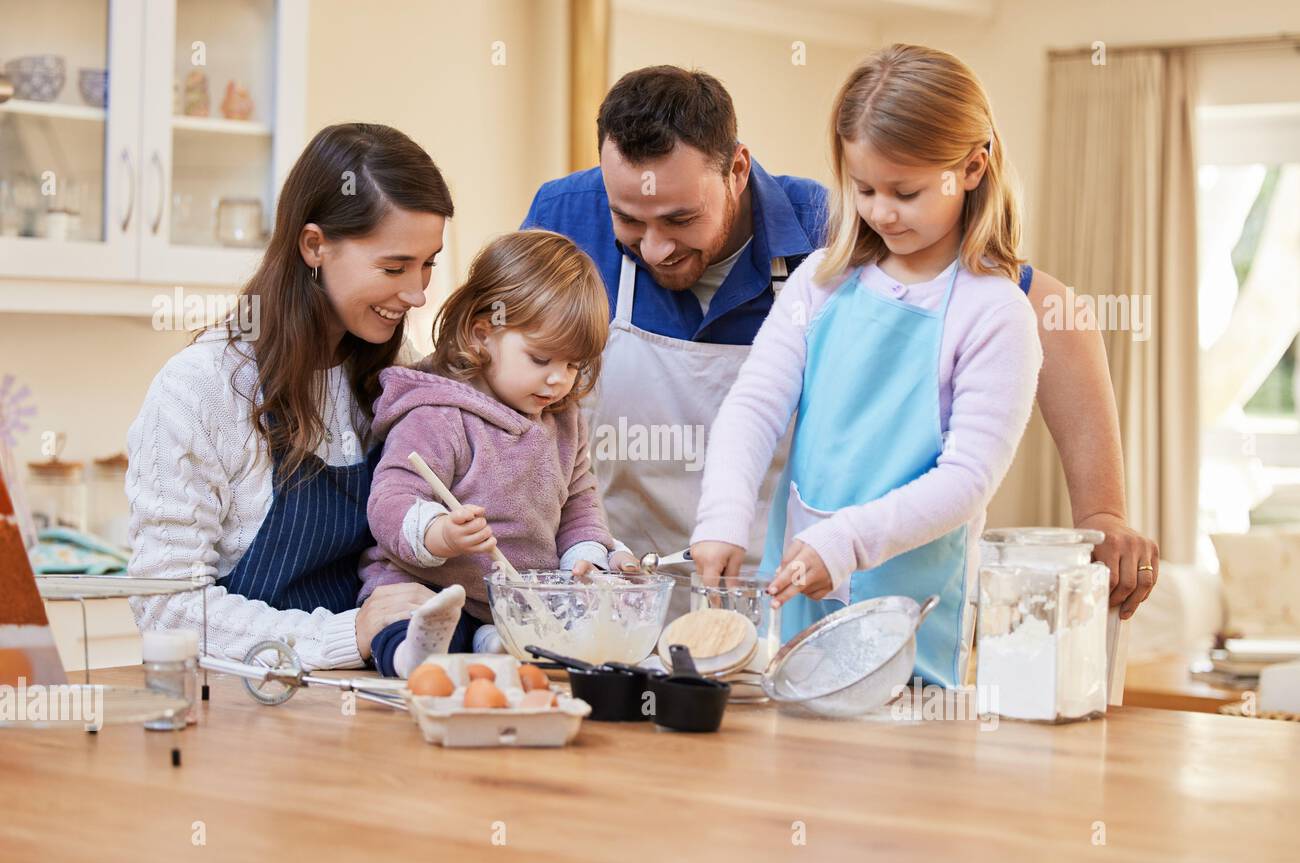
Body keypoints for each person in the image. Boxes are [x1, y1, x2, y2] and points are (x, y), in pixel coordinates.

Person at [524, 65, 1159, 620]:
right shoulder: (565, 214)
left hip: (780, 586)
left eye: (681, 219)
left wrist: (1101, 510)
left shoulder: (829, 235)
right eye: (629, 222)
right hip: (617, 587)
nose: (656, 245)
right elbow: (494, 366)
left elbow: (1048, 309)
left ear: (737, 169)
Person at [692, 43, 1041, 686]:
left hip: (910, 620)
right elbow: (753, 406)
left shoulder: (995, 313)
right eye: (865, 189)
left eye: (905, 192)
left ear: (972, 167)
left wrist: (847, 541)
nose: (880, 212)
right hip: (799, 604)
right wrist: (721, 518)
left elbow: (967, 480)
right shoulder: (821, 285)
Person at [126, 123, 450, 668]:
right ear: (314, 245)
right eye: (394, 267)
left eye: (428, 264)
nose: (417, 293)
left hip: (373, 700)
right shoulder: (200, 389)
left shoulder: (396, 371)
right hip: (248, 716)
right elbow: (167, 607)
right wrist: (349, 635)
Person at [357, 230, 634, 678]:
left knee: (587, 636)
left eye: (573, 365)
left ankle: (491, 642)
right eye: (541, 359)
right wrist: (439, 533)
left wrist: (586, 557)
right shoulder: (439, 413)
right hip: (424, 589)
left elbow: (580, 505)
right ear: (482, 334)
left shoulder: (564, 421)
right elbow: (389, 501)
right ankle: (414, 658)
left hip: (513, 602)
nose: (558, 381)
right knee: (407, 621)